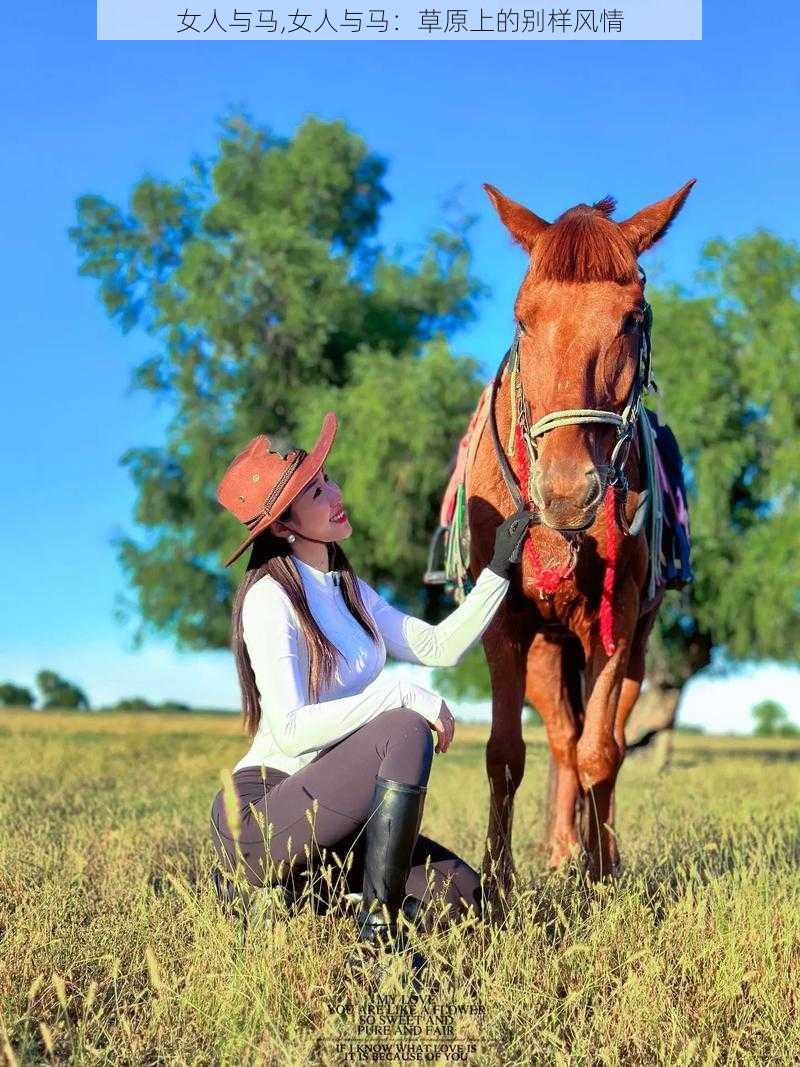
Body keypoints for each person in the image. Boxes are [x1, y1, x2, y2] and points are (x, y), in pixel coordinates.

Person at [209, 411, 533, 965]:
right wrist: (397, 694)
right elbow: (288, 733)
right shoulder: (270, 598)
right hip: (267, 815)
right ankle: (380, 935)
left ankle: (302, 897)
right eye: (315, 492)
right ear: (285, 525)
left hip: (333, 822)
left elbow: (436, 647)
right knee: (403, 725)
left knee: (463, 896)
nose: (334, 492)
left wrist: (498, 570)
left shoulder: (349, 590)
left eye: (326, 479)